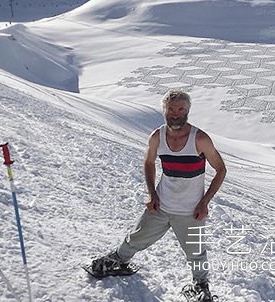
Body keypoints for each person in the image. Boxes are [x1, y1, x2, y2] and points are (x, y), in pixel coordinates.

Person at [90, 89, 227, 301]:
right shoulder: (157, 137)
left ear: (188, 111)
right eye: (171, 109)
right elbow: (148, 162)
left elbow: (221, 169)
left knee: (196, 252)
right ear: (164, 110)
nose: (175, 114)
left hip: (190, 211)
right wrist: (152, 193)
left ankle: (201, 286)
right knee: (136, 237)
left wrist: (204, 202)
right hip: (161, 205)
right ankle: (117, 261)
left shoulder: (199, 139)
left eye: (181, 109)